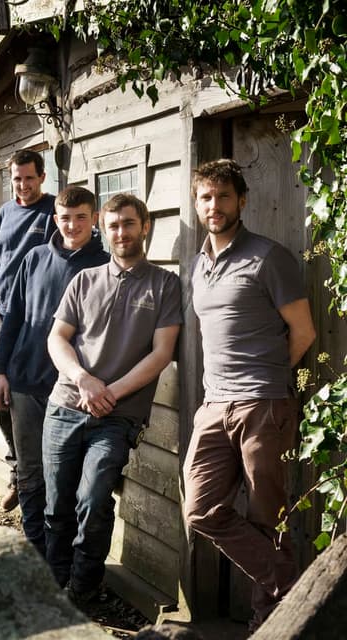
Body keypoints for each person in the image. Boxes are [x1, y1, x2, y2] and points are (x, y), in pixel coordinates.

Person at [183, 159, 317, 633]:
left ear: (242, 200)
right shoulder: (199, 264)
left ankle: (270, 623)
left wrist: (270, 378)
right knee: (200, 509)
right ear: (197, 203)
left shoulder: (268, 257)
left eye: (223, 196)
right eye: (205, 197)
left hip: (263, 403)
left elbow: (302, 332)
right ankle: (292, 584)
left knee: (266, 517)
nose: (213, 206)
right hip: (214, 405)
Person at [43, 193, 182, 608]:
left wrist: (110, 393)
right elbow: (57, 339)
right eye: (114, 225)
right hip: (66, 405)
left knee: (94, 499)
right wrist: (84, 379)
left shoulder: (165, 285)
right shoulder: (84, 280)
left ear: (145, 226)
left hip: (117, 416)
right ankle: (56, 590)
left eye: (129, 223)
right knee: (56, 508)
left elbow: (161, 354)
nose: (121, 232)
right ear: (104, 228)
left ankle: (83, 591)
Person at [0, 186, 110, 556]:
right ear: (54, 219)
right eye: (64, 217)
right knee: (30, 475)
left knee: (68, 481)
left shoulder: (105, 265)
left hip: (76, 390)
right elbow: (12, 318)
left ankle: (66, 558)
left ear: (95, 218)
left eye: (80, 217)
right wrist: (0, 371)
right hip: (27, 380)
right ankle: (36, 553)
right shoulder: (34, 258)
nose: (72, 225)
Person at [0, 149, 57, 511]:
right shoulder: (5, 212)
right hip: (5, 318)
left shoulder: (54, 211)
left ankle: (40, 479)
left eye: (29, 178)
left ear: (42, 177)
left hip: (39, 321)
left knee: (33, 398)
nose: (23, 185)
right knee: (1, 399)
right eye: (17, 178)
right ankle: (18, 470)